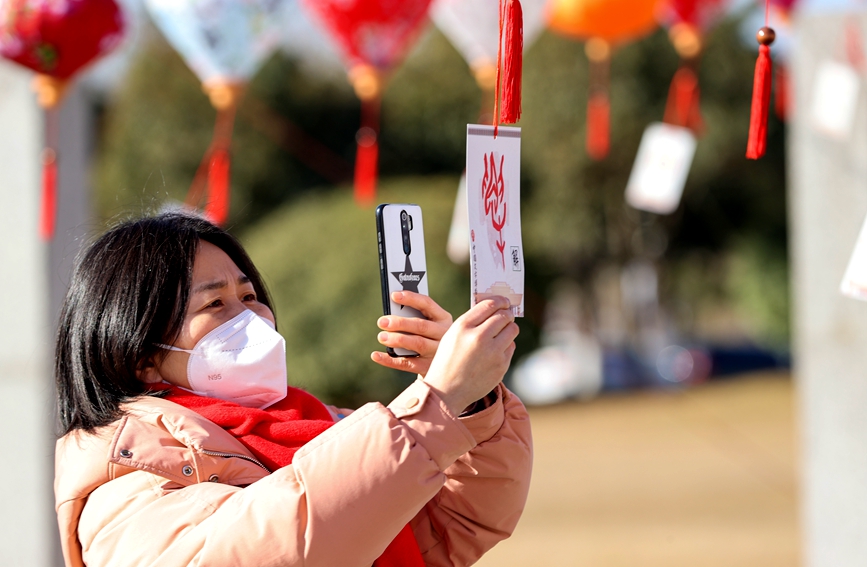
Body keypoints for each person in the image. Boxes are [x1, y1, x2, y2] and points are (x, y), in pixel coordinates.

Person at [53, 211, 533, 567]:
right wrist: (434, 406)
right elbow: (275, 543)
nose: (250, 316)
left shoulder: (321, 425)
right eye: (215, 304)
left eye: (249, 295)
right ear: (142, 359)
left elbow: (453, 529)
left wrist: (472, 402)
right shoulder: (125, 482)